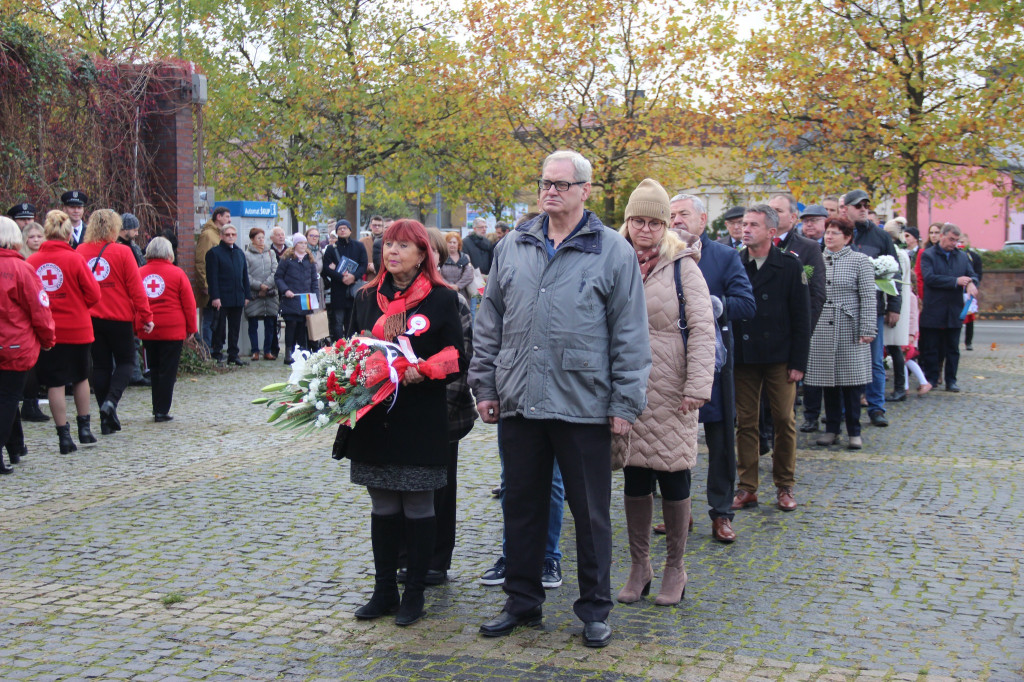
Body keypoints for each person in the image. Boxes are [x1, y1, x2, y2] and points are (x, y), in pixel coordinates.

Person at [469, 150, 651, 648]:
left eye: (561, 184)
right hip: (520, 398)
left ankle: (594, 609)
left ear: (585, 190)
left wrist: (625, 403)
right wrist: (484, 385)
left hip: (584, 402)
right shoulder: (513, 245)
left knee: (590, 514)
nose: (550, 191)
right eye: (545, 183)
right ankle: (521, 601)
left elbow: (631, 334)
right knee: (521, 507)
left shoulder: (613, 251)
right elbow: (490, 320)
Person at [342, 219, 466, 627]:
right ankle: (384, 592)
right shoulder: (366, 296)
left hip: (420, 417)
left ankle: (414, 593)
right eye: (388, 245)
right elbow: (350, 347)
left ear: (422, 254)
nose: (392, 252)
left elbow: (456, 355)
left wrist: (425, 370)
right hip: (375, 418)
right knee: (382, 504)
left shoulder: (442, 299)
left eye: (402, 246)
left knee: (417, 503)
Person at [613, 179, 715, 606]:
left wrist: (698, 386)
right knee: (634, 474)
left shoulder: (682, 264)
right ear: (628, 222)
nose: (646, 229)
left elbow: (704, 328)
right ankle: (640, 566)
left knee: (674, 474)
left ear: (664, 226)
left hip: (672, 387)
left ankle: (676, 567)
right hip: (625, 384)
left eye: (654, 222)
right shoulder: (613, 258)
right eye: (638, 220)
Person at [667, 194, 755, 543]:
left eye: (683, 214)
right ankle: (679, 511)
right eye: (671, 214)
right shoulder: (659, 253)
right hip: (671, 361)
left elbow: (746, 304)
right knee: (674, 439)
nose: (676, 220)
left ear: (703, 220)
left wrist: (711, 305)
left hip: (713, 363)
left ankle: (721, 513)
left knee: (720, 441)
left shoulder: (723, 256)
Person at [731, 205, 810, 513]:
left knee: (784, 420)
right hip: (745, 356)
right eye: (744, 224)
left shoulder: (789, 265)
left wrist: (798, 363)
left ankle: (784, 485)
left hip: (780, 356)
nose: (745, 229)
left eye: (753, 225)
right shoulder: (736, 262)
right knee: (746, 422)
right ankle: (747, 486)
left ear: (772, 232)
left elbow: (801, 317)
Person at [27, 210, 102, 453]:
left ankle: (64, 437)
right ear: (69, 235)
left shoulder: (32, 262)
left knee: (55, 383)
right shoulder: (75, 259)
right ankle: (85, 430)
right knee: (81, 378)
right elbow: (94, 294)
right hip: (78, 328)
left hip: (48, 331)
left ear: (46, 233)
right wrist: (77, 304)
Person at [78, 210, 154, 435]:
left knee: (100, 366)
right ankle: (111, 402)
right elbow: (136, 288)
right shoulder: (122, 251)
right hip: (119, 316)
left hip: (91, 317)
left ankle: (106, 420)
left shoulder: (80, 251)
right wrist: (146, 316)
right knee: (126, 362)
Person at [806, 218, 876, 450]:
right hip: (821, 328)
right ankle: (831, 429)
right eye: (827, 232)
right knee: (827, 382)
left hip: (849, 327)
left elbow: (868, 296)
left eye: (835, 233)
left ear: (847, 238)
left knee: (852, 383)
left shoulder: (860, 261)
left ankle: (854, 431)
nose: (829, 236)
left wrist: (867, 328)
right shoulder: (816, 258)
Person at [0, 216, 56, 475]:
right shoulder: (21, 269)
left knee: (7, 397)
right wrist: (48, 339)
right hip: (14, 345)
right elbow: (39, 309)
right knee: (9, 398)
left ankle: (16, 446)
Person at [843, 189, 901, 428]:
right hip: (844, 309)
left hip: (873, 308)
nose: (863, 209)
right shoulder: (839, 233)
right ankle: (845, 408)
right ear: (846, 208)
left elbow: (894, 273)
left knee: (875, 361)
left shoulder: (880, 236)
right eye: (858, 206)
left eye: (866, 205)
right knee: (846, 360)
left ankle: (876, 408)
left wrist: (894, 306)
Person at [138, 237, 197, 421]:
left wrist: (136, 326)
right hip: (173, 329)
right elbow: (189, 303)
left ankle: (156, 407)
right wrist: (191, 328)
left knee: (154, 369)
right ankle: (162, 410)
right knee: (168, 371)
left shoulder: (139, 273)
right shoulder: (177, 273)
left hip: (148, 328)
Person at [919, 223, 978, 392]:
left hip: (954, 309)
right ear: (942, 236)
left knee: (953, 348)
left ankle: (951, 380)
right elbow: (930, 278)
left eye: (956, 240)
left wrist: (971, 283)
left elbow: (972, 275)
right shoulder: (928, 255)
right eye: (951, 239)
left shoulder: (961, 256)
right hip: (934, 308)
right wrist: (955, 281)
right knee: (931, 347)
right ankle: (931, 378)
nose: (954, 243)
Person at [18, 220, 49, 423]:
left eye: (39, 236)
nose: (36, 240)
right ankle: (29, 402)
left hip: (44, 312)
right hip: (28, 316)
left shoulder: (45, 259)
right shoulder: (22, 261)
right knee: (31, 363)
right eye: (31, 237)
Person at [206, 222, 249, 366]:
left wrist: (246, 295)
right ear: (221, 236)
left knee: (235, 328)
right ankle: (217, 353)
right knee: (219, 328)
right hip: (222, 297)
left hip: (237, 297)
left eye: (233, 234)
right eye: (227, 234)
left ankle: (233, 354)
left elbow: (244, 276)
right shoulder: (214, 253)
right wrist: (215, 297)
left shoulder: (239, 253)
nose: (230, 237)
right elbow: (212, 277)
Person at [274, 233, 319, 362]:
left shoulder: (309, 260)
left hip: (305, 299)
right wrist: (285, 290)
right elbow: (278, 277)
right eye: (300, 243)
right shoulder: (287, 259)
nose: (303, 246)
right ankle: (289, 352)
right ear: (295, 245)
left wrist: (315, 297)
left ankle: (301, 352)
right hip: (291, 299)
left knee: (302, 327)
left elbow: (314, 281)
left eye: (305, 243)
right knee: (291, 325)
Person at [322, 219, 367, 340]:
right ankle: (338, 345)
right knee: (337, 322)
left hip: (354, 290)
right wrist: (341, 277)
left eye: (345, 228)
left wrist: (353, 276)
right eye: (340, 229)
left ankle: (351, 345)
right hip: (338, 290)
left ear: (350, 230)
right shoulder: (331, 249)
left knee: (352, 322)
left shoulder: (359, 246)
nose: (342, 230)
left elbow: (363, 265)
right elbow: (326, 268)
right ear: (336, 232)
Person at [883, 219, 912, 402]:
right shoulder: (901, 253)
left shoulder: (896, 254)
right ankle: (901, 386)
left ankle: (901, 387)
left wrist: (891, 306)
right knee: (894, 348)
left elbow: (894, 280)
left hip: (894, 305)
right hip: (899, 303)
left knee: (894, 348)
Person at [195, 206, 230, 354]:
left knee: (218, 318)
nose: (229, 220)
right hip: (210, 285)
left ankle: (215, 348)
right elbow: (201, 260)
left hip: (220, 285)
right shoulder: (208, 235)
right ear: (218, 217)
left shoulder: (219, 234)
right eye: (227, 216)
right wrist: (204, 283)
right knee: (209, 318)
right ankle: (207, 349)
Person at [244, 228, 279, 361]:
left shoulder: (271, 253)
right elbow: (246, 274)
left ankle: (267, 350)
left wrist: (267, 284)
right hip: (255, 293)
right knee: (253, 323)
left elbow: (275, 270)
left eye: (263, 238)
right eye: (258, 238)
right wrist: (259, 286)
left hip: (270, 293)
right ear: (252, 239)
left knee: (270, 324)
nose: (261, 240)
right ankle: (255, 351)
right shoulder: (247, 254)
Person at [958, 233, 983, 351]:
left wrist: (973, 285)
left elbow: (978, 273)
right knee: (957, 317)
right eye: (959, 242)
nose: (961, 244)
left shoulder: (974, 257)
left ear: (968, 242)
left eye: (963, 242)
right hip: (957, 290)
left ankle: (968, 342)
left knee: (969, 318)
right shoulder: (955, 256)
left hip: (968, 292)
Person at [440, 231, 475, 303]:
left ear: (458, 244)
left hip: (462, 294)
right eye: (450, 242)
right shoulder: (441, 257)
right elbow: (437, 273)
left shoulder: (465, 257)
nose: (452, 244)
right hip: (444, 292)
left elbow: (469, 274)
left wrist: (458, 286)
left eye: (454, 242)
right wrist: (448, 286)